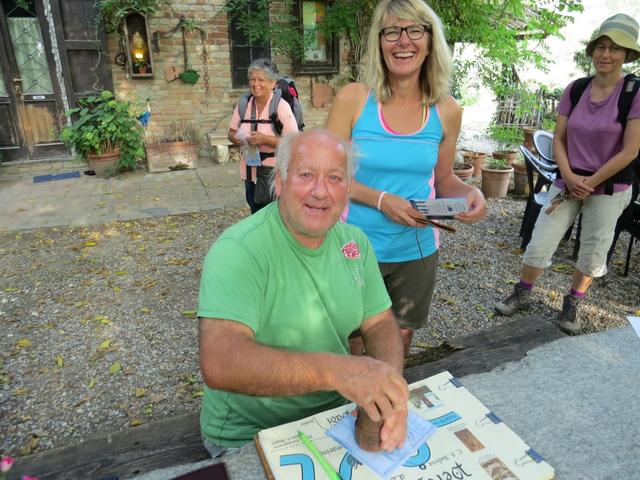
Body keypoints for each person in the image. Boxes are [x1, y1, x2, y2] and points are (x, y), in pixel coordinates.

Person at [198, 129, 409, 457]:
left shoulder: (354, 243)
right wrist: (339, 371)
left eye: (334, 178)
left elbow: (379, 323)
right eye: (306, 175)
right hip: (251, 435)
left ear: (348, 189)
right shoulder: (239, 250)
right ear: (280, 182)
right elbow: (220, 362)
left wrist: (386, 397)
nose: (320, 191)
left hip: (334, 418)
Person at [325, 0, 487, 357]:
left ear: (430, 41)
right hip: (355, 246)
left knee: (400, 339)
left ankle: (391, 393)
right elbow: (327, 176)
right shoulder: (353, 100)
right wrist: (383, 201)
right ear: (379, 42)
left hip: (416, 249)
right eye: (392, 32)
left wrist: (469, 193)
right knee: (354, 342)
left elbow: (443, 178)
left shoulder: (447, 110)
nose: (403, 41)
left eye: (415, 30)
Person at [495, 13, 640, 335]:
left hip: (609, 186)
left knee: (593, 250)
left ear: (627, 54)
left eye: (615, 48)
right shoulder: (576, 89)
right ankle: (523, 291)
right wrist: (571, 177)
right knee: (540, 240)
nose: (605, 54)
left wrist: (589, 182)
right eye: (601, 46)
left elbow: (630, 150)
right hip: (568, 181)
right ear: (592, 50)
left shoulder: (634, 92)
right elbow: (558, 138)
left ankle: (573, 302)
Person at [228, 58, 299, 213]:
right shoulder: (244, 104)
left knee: (276, 214)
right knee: (255, 211)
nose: (255, 84)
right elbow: (231, 133)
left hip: (274, 173)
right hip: (250, 170)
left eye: (261, 80)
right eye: (252, 79)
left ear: (273, 83)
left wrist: (264, 139)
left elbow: (294, 142)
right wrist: (241, 139)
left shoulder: (281, 106)